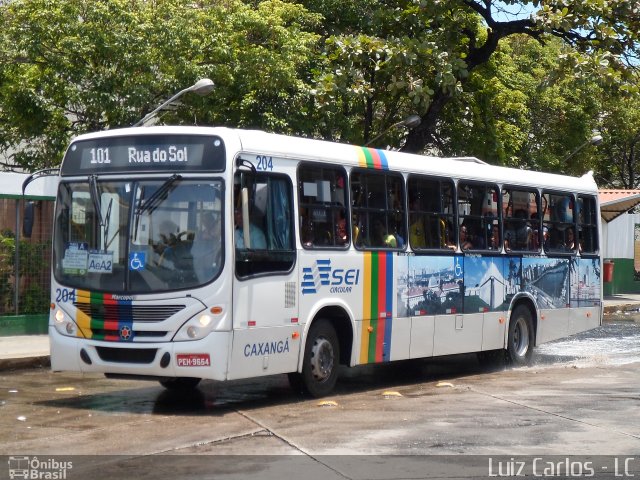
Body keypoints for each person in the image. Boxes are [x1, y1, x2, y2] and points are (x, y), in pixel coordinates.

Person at [192, 211, 221, 282]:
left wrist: (207, 236)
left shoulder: (217, 229)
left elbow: (216, 237)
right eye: (203, 221)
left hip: (214, 258)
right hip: (203, 260)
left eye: (206, 220)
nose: (204, 223)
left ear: (210, 220)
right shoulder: (204, 231)